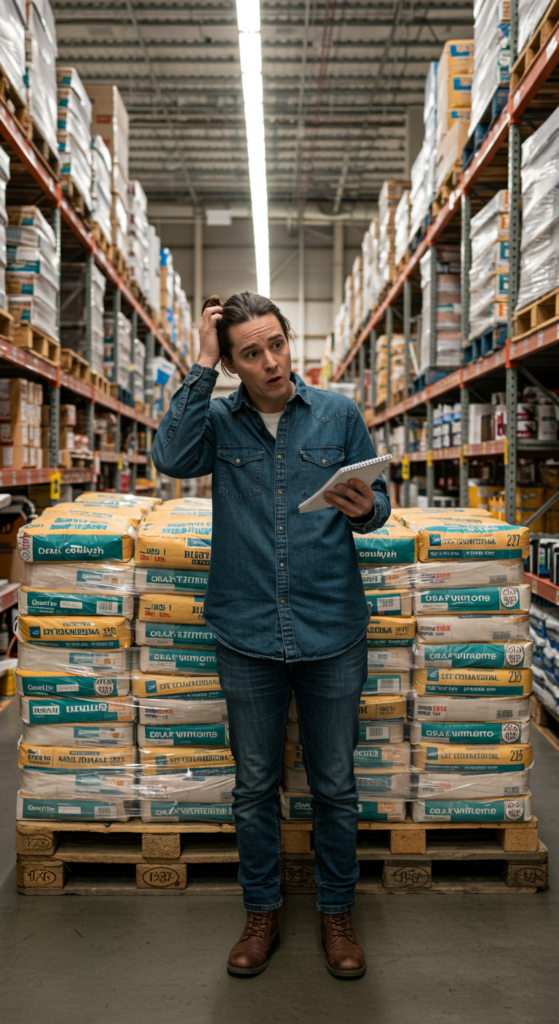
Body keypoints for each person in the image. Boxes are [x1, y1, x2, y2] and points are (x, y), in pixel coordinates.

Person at [152, 292, 391, 979]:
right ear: (231, 362)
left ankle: (336, 915)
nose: (270, 362)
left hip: (331, 625)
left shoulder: (338, 414)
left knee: (335, 785)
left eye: (276, 344)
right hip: (247, 628)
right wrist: (200, 366)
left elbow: (377, 509)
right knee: (255, 786)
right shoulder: (218, 422)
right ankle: (260, 914)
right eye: (250, 353)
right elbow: (170, 458)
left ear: (290, 341)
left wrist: (368, 507)